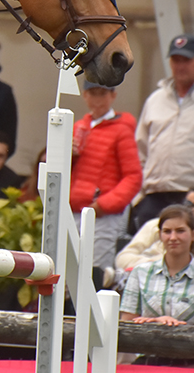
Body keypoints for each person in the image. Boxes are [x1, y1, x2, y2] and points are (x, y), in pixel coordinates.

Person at [69, 80, 142, 270]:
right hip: (75, 210)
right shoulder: (78, 127)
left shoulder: (121, 130)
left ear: (113, 96)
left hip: (103, 215)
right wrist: (68, 155)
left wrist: (104, 205)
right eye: (93, 93)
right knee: (69, 270)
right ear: (85, 95)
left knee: (96, 271)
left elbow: (133, 177)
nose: (98, 99)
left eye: (103, 93)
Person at [131, 33, 194, 232]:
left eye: (186, 60)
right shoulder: (155, 99)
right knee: (146, 246)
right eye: (176, 60)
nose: (180, 66)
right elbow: (140, 149)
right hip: (153, 196)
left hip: (189, 196)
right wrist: (139, 195)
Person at [119, 205, 194, 366]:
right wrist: (155, 321)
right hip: (147, 359)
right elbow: (126, 323)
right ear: (159, 235)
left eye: (180, 231)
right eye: (167, 231)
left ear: (192, 234)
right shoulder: (140, 272)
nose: (173, 237)